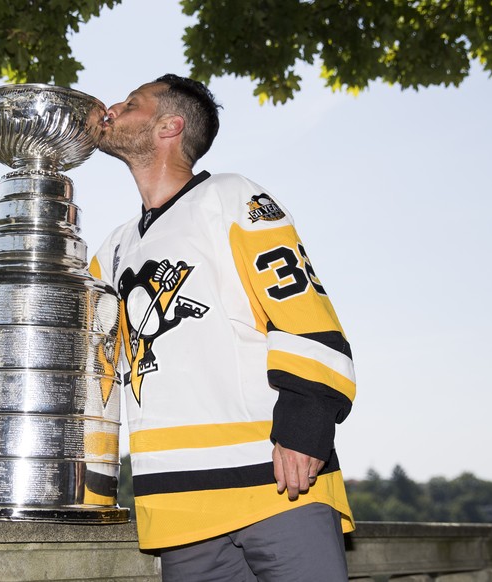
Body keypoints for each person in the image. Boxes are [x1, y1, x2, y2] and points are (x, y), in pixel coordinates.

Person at [88, 74, 356, 581]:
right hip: (174, 504)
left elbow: (304, 310)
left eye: (132, 103)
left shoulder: (232, 197)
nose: (114, 107)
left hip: (275, 482)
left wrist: (307, 424)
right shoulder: (113, 248)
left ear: (170, 126)